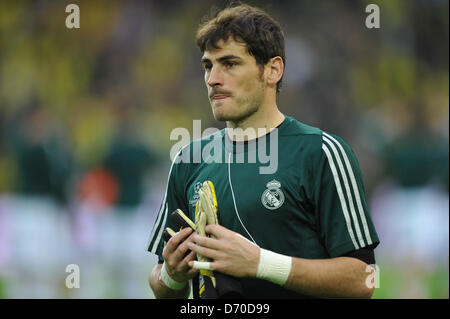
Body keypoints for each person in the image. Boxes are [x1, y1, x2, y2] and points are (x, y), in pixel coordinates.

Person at [147, 4, 379, 299]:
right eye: (208, 66)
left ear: (272, 70)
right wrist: (173, 274)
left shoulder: (321, 152)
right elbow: (160, 285)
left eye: (229, 64)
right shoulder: (188, 160)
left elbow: (364, 280)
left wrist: (261, 264)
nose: (212, 79)